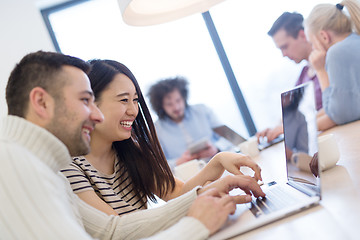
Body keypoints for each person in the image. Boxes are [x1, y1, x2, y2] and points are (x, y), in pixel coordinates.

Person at [0, 51, 265, 239]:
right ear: (41, 102)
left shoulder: (44, 166)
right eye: (85, 100)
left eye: (135, 100)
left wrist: (207, 190)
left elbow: (111, 231)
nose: (95, 114)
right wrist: (196, 225)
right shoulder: (16, 163)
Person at [61, 59, 263, 217]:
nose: (133, 111)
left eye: (135, 100)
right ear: (90, 102)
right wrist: (206, 194)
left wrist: (219, 160)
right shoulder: (70, 166)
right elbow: (119, 229)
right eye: (124, 100)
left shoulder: (129, 151)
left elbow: (177, 194)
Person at [257, 12, 322, 143]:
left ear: (302, 35)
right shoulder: (304, 74)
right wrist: (275, 128)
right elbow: (292, 111)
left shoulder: (327, 65)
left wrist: (287, 128)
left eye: (285, 47)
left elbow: (334, 112)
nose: (284, 54)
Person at [147, 77, 231, 167]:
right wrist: (178, 162)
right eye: (169, 104)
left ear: (184, 98)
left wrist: (216, 148)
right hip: (186, 175)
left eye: (178, 100)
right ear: (161, 106)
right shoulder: (156, 130)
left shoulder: (203, 111)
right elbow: (157, 164)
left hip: (218, 165)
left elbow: (230, 138)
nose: (176, 107)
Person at [305, 0, 360, 131]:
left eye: (312, 43)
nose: (312, 49)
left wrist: (320, 71)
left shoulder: (337, 52)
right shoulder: (354, 40)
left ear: (324, 36)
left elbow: (337, 114)